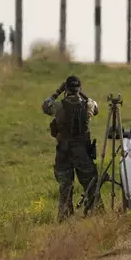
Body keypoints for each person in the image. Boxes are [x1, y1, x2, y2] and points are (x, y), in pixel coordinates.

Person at [42, 75, 100, 222]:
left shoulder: (59, 106)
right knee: (91, 184)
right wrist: (82, 94)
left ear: (66, 89)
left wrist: (57, 91)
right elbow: (97, 108)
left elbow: (45, 106)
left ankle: (65, 217)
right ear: (79, 89)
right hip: (83, 152)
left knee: (65, 186)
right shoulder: (88, 104)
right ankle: (96, 214)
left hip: (64, 151)